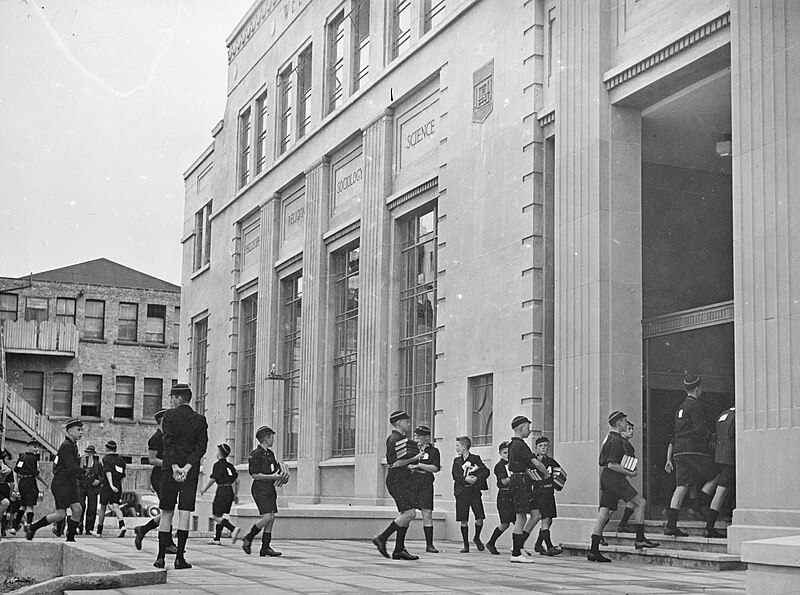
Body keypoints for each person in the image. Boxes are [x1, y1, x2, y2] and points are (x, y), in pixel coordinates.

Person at [587, 411, 659, 563]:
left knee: (604, 513)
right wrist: (629, 473)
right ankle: (640, 539)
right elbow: (613, 464)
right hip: (615, 479)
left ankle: (593, 550)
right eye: (625, 421)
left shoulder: (609, 439)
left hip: (606, 478)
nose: (627, 424)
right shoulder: (617, 440)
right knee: (641, 502)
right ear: (619, 423)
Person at [153, 383, 208, 570]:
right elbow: (201, 447)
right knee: (185, 512)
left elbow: (167, 443)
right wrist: (187, 467)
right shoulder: (200, 419)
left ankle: (160, 557)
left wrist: (176, 466)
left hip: (170, 469)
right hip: (190, 472)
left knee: (167, 511)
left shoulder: (169, 416)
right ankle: (179, 559)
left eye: (172, 397)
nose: (171, 401)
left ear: (178, 398)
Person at [663, 375, 718, 537]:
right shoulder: (696, 406)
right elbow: (700, 430)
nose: (702, 390)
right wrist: (712, 437)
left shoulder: (680, 407)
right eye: (701, 388)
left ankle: (671, 525)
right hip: (694, 450)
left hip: (679, 452)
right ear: (697, 388)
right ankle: (696, 506)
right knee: (717, 475)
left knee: (682, 486)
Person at [372, 410, 424, 560]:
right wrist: (415, 457)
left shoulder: (400, 438)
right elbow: (394, 463)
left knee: (405, 515)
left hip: (402, 479)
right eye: (407, 422)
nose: (409, 424)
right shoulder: (395, 438)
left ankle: (399, 550)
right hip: (397, 479)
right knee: (410, 514)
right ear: (399, 423)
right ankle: (382, 537)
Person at [25, 419, 85, 541]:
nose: (81, 432)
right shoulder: (66, 446)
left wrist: (82, 474)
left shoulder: (72, 445)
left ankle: (70, 537)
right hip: (61, 484)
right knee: (60, 514)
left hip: (69, 483)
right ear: (70, 431)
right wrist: (84, 472)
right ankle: (33, 527)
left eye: (81, 430)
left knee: (77, 509)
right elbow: (71, 467)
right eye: (78, 430)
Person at [134, 408, 177, 554]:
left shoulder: (168, 437)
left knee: (168, 509)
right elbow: (152, 460)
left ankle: (143, 529)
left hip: (169, 475)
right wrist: (169, 463)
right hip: (159, 476)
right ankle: (167, 543)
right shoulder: (155, 438)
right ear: (163, 421)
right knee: (168, 509)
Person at [241, 426, 288, 557]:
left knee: (271, 517)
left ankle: (265, 547)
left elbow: (275, 470)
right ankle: (248, 537)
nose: (273, 440)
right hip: (259, 488)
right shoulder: (255, 454)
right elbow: (255, 475)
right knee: (267, 516)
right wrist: (273, 477)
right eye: (272, 438)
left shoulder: (270, 454)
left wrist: (283, 475)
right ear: (266, 439)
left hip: (269, 488)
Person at [507, 415, 547, 563]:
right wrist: (547, 473)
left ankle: (519, 546)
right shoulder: (520, 445)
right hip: (521, 480)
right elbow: (536, 463)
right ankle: (516, 552)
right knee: (521, 516)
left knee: (536, 514)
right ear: (521, 428)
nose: (529, 430)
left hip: (521, 479)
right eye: (528, 427)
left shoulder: (513, 444)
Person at [452, 435, 490, 553]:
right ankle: (465, 544)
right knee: (464, 519)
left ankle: (477, 537)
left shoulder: (475, 458)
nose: (456, 448)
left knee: (479, 517)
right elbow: (455, 475)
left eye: (458, 446)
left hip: (474, 492)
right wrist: (465, 479)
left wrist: (476, 479)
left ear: (464, 446)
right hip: (462, 493)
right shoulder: (456, 461)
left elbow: (485, 471)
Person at [200, 443, 241, 546]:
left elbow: (213, 478)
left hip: (221, 490)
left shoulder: (217, 465)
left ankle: (233, 529)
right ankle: (217, 538)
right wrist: (235, 494)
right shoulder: (230, 466)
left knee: (215, 515)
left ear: (219, 453)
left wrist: (204, 489)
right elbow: (237, 480)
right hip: (229, 491)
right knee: (221, 515)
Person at [409, 425, 440, 553]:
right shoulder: (412, 449)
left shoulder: (433, 451)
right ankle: (401, 543)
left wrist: (418, 465)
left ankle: (429, 544)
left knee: (427, 513)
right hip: (412, 483)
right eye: (415, 435)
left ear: (426, 437)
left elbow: (435, 468)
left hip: (426, 483)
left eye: (419, 436)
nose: (416, 437)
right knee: (407, 512)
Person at [705, 406, 735, 538]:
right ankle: (709, 527)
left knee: (722, 488)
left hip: (720, 457)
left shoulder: (724, 414)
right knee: (722, 490)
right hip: (731, 458)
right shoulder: (738, 415)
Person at [531, 436, 564, 556]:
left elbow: (559, 474)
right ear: (536, 447)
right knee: (545, 519)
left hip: (549, 493)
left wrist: (557, 483)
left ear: (549, 447)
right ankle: (549, 546)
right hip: (539, 493)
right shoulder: (534, 462)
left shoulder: (551, 461)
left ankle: (539, 544)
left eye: (545, 445)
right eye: (540, 446)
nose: (543, 448)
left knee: (549, 520)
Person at [11, 439, 46, 534]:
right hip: (30, 482)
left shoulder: (21, 457)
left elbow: (15, 471)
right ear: (29, 447)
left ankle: (14, 527)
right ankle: (29, 527)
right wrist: (44, 482)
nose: (36, 449)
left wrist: (16, 484)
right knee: (30, 506)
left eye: (37, 447)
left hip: (22, 482)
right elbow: (36, 474)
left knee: (23, 505)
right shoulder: (33, 459)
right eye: (34, 447)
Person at [486, 441, 514, 555]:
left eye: (509, 452)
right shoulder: (500, 466)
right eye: (505, 452)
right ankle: (491, 542)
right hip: (504, 496)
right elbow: (504, 481)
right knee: (505, 523)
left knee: (518, 522)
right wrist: (516, 477)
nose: (507, 455)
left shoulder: (514, 463)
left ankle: (517, 546)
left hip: (513, 495)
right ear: (500, 453)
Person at [96, 440, 127, 538]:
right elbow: (122, 475)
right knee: (116, 506)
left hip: (107, 486)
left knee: (103, 507)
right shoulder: (121, 461)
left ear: (107, 449)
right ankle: (122, 525)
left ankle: (99, 531)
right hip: (118, 485)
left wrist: (111, 485)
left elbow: (107, 472)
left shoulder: (106, 459)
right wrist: (118, 486)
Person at [612, 422, 637, 538]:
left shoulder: (622, 443)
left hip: (616, 478)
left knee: (610, 508)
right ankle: (623, 525)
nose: (631, 431)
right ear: (622, 431)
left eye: (632, 429)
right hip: (618, 479)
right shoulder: (624, 444)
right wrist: (631, 471)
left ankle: (622, 524)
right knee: (638, 501)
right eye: (629, 429)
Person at [77, 445, 102, 536]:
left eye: (89, 453)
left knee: (92, 507)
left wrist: (98, 481)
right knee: (80, 506)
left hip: (92, 487)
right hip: (82, 485)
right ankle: (79, 525)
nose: (87, 454)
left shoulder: (97, 464)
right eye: (86, 452)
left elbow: (102, 476)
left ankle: (89, 528)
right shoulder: (81, 462)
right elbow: (76, 473)